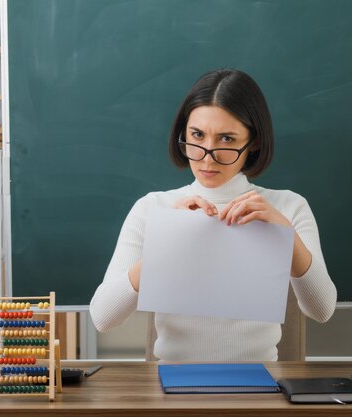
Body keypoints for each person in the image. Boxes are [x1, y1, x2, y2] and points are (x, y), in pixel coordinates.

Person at [90, 69, 337, 361]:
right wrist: (164, 243)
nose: (208, 155)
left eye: (227, 139)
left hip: (260, 391)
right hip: (171, 391)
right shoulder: (152, 208)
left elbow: (321, 310)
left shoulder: (288, 207)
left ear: (253, 142)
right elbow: (103, 317)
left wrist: (285, 233)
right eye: (197, 135)